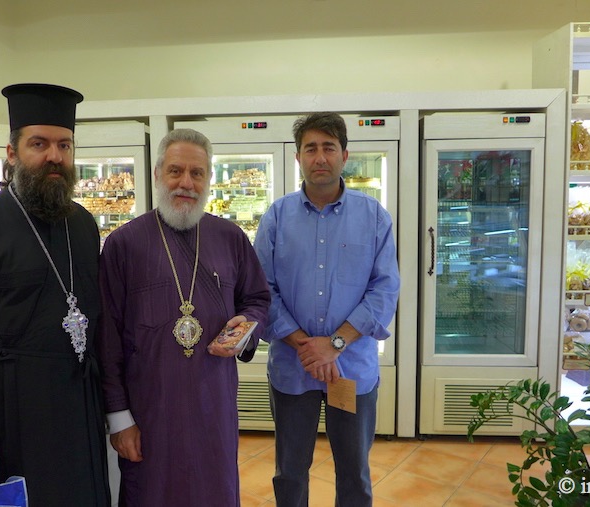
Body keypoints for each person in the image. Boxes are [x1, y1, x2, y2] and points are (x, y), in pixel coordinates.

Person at [0, 83, 111, 506]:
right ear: (12, 153)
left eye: (64, 145)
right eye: (39, 144)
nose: (55, 156)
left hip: (79, 413)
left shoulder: (83, 225)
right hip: (13, 419)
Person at [98, 128, 271, 506]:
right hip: (149, 411)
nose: (186, 183)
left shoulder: (230, 238)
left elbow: (258, 299)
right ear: (157, 174)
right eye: (176, 171)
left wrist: (245, 326)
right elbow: (107, 337)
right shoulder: (124, 244)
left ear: (209, 179)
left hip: (213, 406)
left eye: (197, 173)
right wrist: (119, 418)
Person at [253, 112, 400, 507]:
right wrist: (307, 347)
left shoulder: (373, 217)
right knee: (289, 472)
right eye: (311, 148)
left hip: (350, 369)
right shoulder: (276, 217)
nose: (320, 157)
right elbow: (261, 290)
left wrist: (334, 345)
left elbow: (385, 289)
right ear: (298, 157)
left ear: (344, 155)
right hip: (293, 368)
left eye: (329, 148)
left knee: (354, 473)